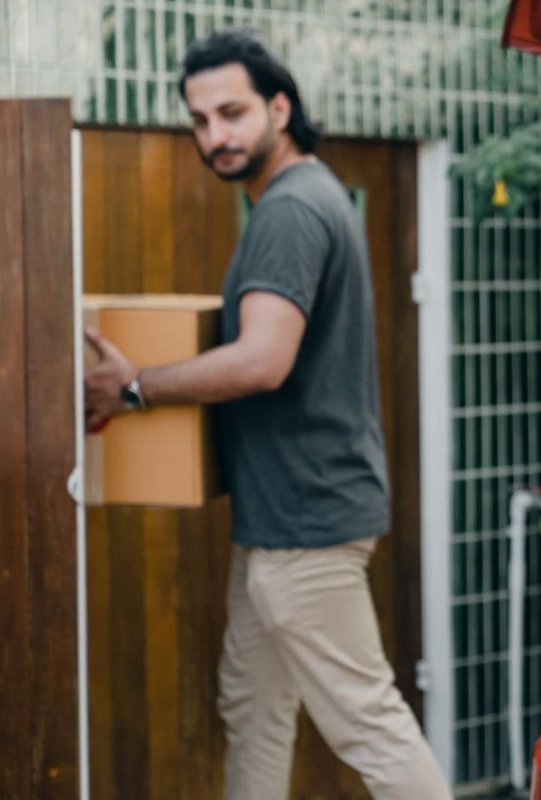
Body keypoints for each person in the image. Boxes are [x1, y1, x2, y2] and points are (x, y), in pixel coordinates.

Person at [82, 30, 453, 800]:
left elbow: (262, 359)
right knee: (253, 710)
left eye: (232, 112)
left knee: (368, 725)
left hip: (306, 529)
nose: (215, 135)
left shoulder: (289, 211)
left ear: (279, 107)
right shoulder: (305, 196)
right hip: (278, 524)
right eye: (200, 120)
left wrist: (136, 386)